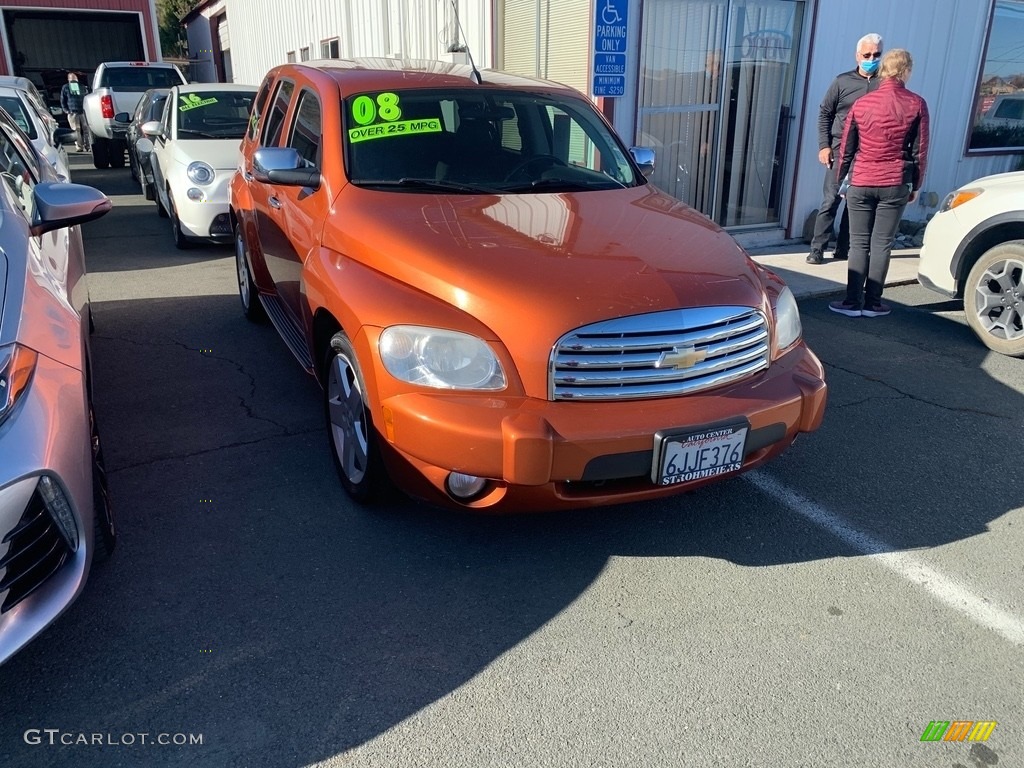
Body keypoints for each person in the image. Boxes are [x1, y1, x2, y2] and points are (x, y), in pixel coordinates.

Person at [829, 48, 929, 318]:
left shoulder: (863, 103)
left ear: (883, 70)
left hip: (862, 179)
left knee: (858, 242)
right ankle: (873, 303)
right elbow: (920, 150)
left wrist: (841, 182)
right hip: (895, 180)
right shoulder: (917, 103)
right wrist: (916, 184)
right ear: (906, 71)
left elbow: (846, 147)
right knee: (882, 243)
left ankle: (851, 302)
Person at [806, 33, 884, 265]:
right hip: (840, 150)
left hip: (868, 153)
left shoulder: (885, 84)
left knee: (856, 202)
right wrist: (824, 146)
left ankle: (844, 248)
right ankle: (817, 249)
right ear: (857, 55)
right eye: (867, 54)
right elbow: (824, 114)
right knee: (831, 200)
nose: (871, 59)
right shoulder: (842, 82)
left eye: (876, 55)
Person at [60, 72, 90, 153]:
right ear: (68, 79)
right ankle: (79, 146)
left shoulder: (82, 87)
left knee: (86, 129)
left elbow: (87, 97)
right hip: (72, 112)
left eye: (75, 79)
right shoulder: (65, 87)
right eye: (72, 79)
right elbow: (63, 100)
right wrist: (66, 110)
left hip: (83, 111)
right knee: (76, 130)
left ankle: (88, 145)